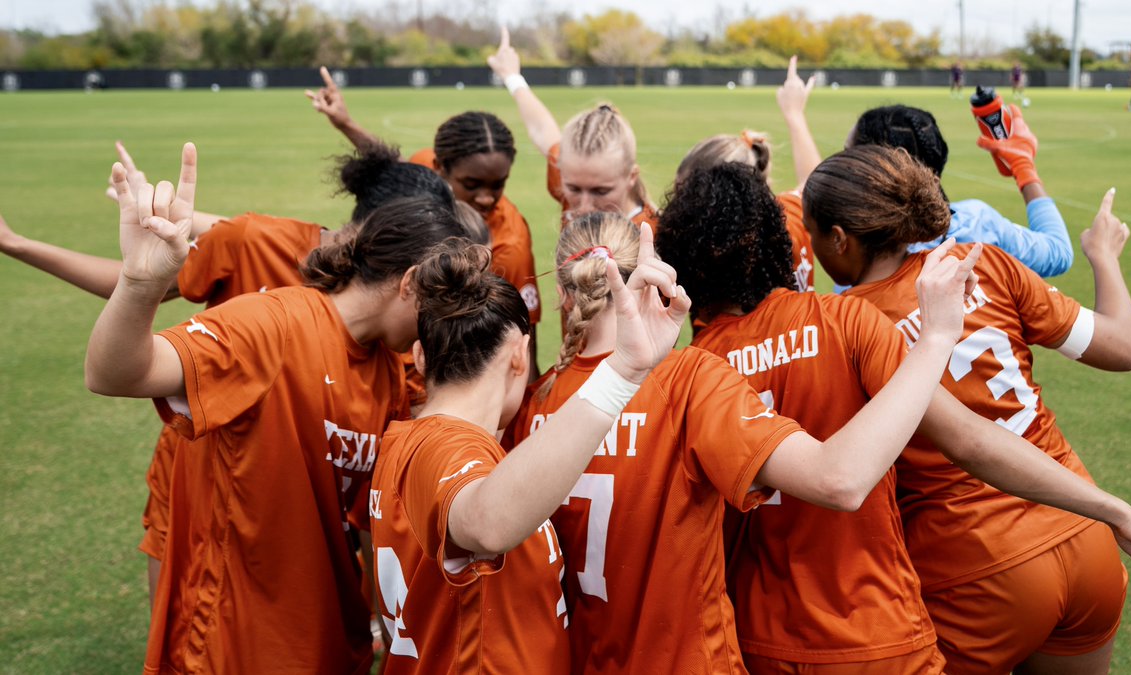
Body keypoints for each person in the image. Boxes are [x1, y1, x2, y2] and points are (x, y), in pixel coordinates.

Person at [657, 159, 1131, 675]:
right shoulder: (861, 314)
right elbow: (972, 434)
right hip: (1047, 548)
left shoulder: (685, 373)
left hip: (910, 586)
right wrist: (1115, 511)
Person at [506, 210, 982, 673]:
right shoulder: (687, 380)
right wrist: (936, 338)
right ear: (650, 281)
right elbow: (837, 478)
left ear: (564, 294)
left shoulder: (532, 408)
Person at [1, 141, 459, 614]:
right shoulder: (269, 305)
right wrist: (122, 277)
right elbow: (119, 363)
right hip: (207, 473)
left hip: (297, 575)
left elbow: (368, 507)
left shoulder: (382, 359)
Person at [369, 233, 687, 673]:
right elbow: (488, 524)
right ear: (520, 355)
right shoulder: (445, 446)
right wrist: (622, 373)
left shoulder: (404, 441)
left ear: (421, 356)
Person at [307, 66, 544, 374]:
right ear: (438, 169)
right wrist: (345, 124)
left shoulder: (508, 242)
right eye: (471, 185)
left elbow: (523, 329)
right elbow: (394, 168)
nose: (486, 197)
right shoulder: (425, 182)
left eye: (498, 184)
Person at [848, 104, 1073, 279]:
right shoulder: (977, 222)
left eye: (849, 155)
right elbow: (1058, 252)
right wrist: (1024, 168)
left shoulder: (857, 250)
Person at [673, 56, 818, 293]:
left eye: (689, 197)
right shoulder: (788, 216)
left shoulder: (710, 253)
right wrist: (795, 115)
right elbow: (813, 184)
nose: (678, 209)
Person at [487, 28, 657, 228]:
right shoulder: (576, 169)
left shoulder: (652, 234)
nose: (584, 208)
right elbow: (541, 128)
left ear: (631, 177)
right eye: (573, 189)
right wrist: (511, 76)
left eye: (601, 192)